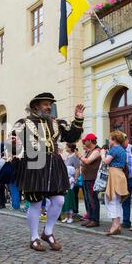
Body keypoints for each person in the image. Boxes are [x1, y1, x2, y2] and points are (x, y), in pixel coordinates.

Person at [10, 93, 84, 252]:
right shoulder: (23, 123)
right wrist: (15, 146)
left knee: (59, 201)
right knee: (36, 202)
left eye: (50, 104)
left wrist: (78, 119)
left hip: (53, 163)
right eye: (45, 104)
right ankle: (34, 236)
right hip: (34, 163)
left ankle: (48, 232)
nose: (49, 107)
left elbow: (72, 136)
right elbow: (15, 145)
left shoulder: (57, 123)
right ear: (36, 106)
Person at [100, 131, 129, 236]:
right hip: (119, 174)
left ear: (114, 139)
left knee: (111, 200)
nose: (109, 140)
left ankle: (115, 225)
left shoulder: (114, 149)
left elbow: (106, 161)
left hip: (114, 174)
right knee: (116, 201)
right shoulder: (122, 149)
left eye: (110, 138)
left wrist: (103, 154)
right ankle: (117, 225)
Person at [78, 134, 102, 228]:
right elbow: (82, 162)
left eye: (85, 141)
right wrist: (82, 157)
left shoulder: (97, 151)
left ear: (90, 141)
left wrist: (80, 156)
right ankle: (90, 217)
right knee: (88, 200)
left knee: (93, 200)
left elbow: (87, 161)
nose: (84, 142)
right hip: (86, 178)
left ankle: (95, 220)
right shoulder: (89, 151)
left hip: (92, 178)